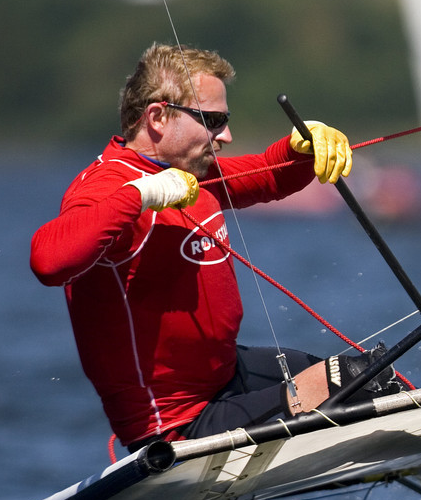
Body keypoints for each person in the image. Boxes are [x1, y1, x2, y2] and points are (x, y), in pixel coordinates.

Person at [31, 42, 392, 452]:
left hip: (225, 377)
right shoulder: (106, 187)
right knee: (355, 381)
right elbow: (47, 261)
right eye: (213, 120)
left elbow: (269, 177)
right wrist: (140, 195)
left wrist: (302, 146)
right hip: (175, 424)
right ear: (158, 117)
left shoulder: (187, 172)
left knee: (377, 374)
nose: (226, 135)